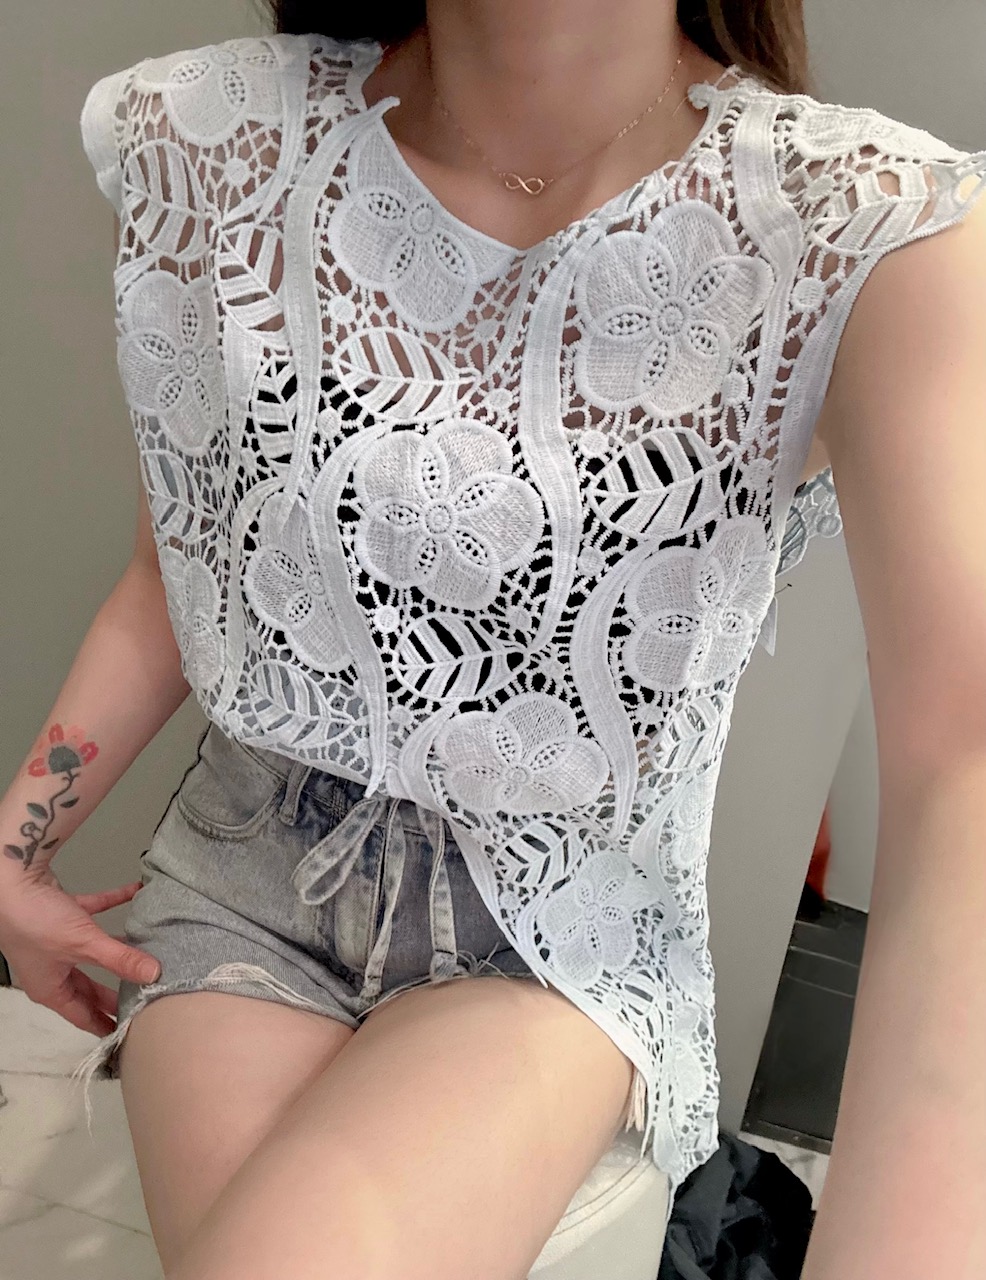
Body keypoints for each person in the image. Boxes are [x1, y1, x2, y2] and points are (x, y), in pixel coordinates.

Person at [1, 2, 984, 1277]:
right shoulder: (215, 135)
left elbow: (960, 763)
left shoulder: (855, 220)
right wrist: (19, 843)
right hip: (244, 877)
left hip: (551, 927)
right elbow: (172, 574)